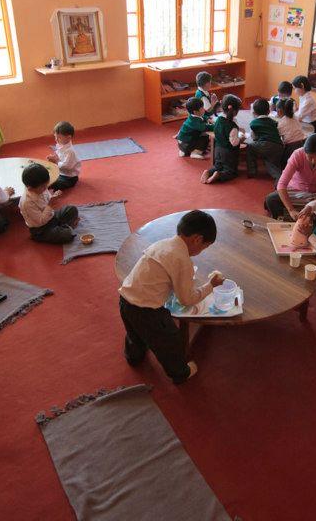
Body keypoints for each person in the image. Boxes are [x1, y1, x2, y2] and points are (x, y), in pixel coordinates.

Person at [118, 210, 226, 384]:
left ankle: (134, 357)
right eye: (205, 246)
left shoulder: (162, 244)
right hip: (148, 312)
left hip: (125, 300)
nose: (202, 250)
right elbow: (187, 299)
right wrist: (210, 286)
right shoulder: (182, 260)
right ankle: (180, 373)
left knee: (134, 334)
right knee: (170, 342)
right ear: (197, 239)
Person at [264, 134, 316, 220]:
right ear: (305, 152)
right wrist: (291, 210)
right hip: (296, 191)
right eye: (310, 157)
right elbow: (282, 184)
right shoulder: (298, 154)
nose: (314, 161)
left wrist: (315, 204)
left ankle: (298, 217)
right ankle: (301, 217)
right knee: (271, 199)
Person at [19, 163, 80, 243]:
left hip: (51, 217)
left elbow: (48, 199)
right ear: (30, 189)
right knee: (67, 234)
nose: (46, 188)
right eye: (43, 187)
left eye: (46, 185)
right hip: (41, 229)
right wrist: (50, 204)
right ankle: (65, 228)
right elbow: (40, 221)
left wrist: (54, 197)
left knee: (72, 209)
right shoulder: (26, 203)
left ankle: (63, 227)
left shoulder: (41, 188)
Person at [202, 94, 243, 184]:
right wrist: (241, 138)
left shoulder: (218, 120)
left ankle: (208, 172)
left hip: (218, 149)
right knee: (231, 171)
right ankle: (219, 175)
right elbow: (234, 142)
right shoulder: (232, 125)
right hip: (228, 152)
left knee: (218, 166)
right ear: (235, 111)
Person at [246, 98, 284, 180]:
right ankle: (279, 177)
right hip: (279, 146)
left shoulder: (254, 123)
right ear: (268, 111)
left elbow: (253, 137)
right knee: (271, 163)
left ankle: (252, 171)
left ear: (254, 113)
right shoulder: (274, 122)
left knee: (250, 147)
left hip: (265, 145)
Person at [46, 121, 81, 191]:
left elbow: (67, 167)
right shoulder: (61, 144)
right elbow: (59, 155)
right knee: (45, 174)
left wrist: (56, 161)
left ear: (69, 138)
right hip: (60, 173)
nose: (56, 139)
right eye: (55, 137)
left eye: (59, 138)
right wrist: (53, 157)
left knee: (54, 182)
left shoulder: (70, 151)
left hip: (69, 177)